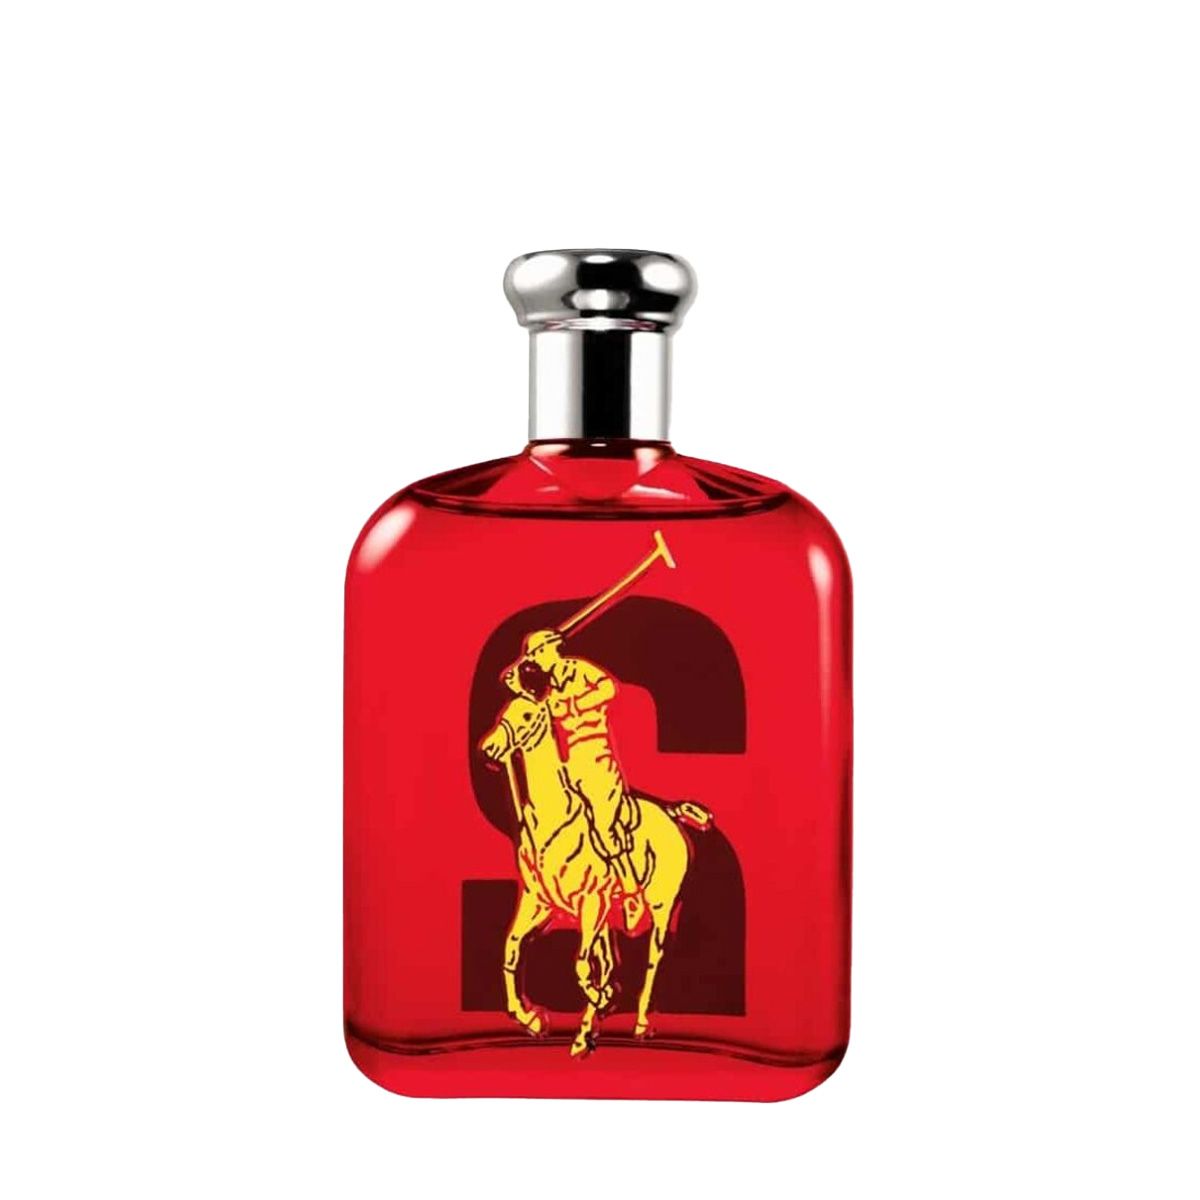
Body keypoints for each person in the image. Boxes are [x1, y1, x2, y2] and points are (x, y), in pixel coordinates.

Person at [519, 629, 644, 932]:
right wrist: (515, 681)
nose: (535, 660)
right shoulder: (548, 690)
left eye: (536, 654)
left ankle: (631, 891)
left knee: (602, 826)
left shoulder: (579, 670)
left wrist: (574, 704)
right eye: (531, 656)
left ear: (550, 650)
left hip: (597, 760)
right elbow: (530, 706)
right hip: (569, 765)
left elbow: (609, 689)